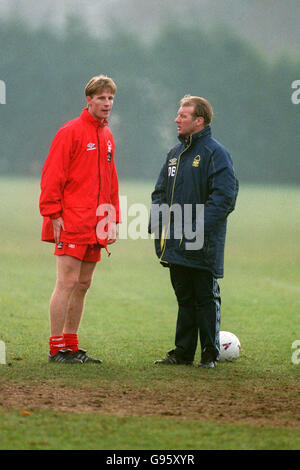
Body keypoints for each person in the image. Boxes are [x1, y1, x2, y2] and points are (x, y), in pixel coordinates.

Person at [149, 95, 238, 368]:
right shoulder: (174, 154)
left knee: (205, 298)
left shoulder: (215, 153)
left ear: (199, 121)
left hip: (203, 244)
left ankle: (210, 355)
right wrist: (157, 224)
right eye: (178, 115)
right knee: (184, 298)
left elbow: (224, 198)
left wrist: (197, 229)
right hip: (174, 242)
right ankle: (182, 352)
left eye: (183, 116)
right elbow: (159, 191)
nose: (177, 119)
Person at [39, 75, 120, 363]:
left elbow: (111, 181)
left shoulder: (107, 136)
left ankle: (71, 346)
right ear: (89, 100)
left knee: (83, 284)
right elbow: (52, 175)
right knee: (67, 282)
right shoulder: (70, 131)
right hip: (71, 220)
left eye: (110, 98)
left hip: (95, 223)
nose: (107, 103)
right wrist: (53, 213)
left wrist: (112, 218)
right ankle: (56, 347)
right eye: (101, 98)